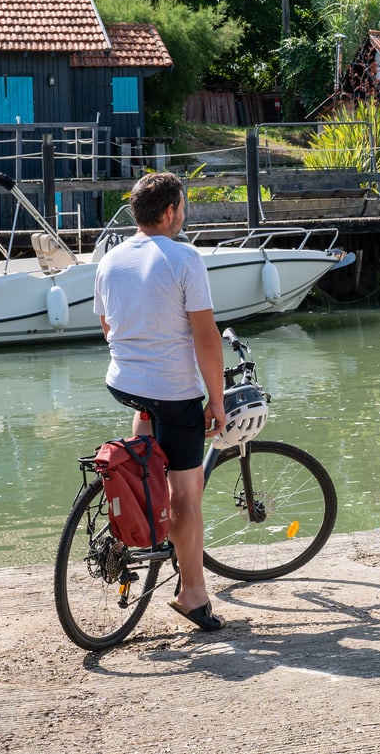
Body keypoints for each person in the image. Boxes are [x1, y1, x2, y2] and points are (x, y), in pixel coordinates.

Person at [93, 171, 227, 632]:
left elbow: (109, 329)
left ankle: (143, 519)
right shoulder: (184, 257)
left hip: (125, 383)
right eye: (182, 209)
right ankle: (192, 595)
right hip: (172, 391)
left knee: (152, 463)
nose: (182, 216)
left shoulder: (110, 261)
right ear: (170, 212)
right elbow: (207, 339)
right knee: (187, 493)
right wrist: (217, 399)